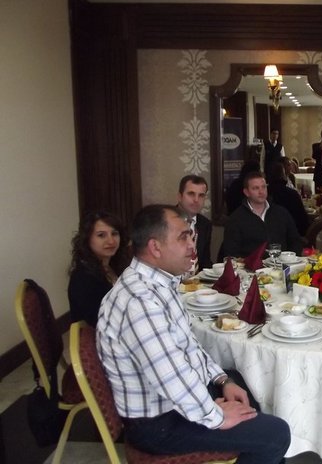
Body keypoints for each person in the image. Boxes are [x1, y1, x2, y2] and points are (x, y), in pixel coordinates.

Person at [96, 205, 290, 463]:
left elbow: (188, 347)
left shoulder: (158, 283)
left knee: (242, 385)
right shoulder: (138, 301)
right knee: (275, 434)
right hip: (159, 423)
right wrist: (216, 416)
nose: (192, 245)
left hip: (172, 402)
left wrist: (222, 381)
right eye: (183, 237)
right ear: (155, 247)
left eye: (191, 236)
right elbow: (170, 376)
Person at [68, 211, 130, 327]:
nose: (111, 241)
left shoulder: (114, 265)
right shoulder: (83, 278)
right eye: (101, 235)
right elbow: (100, 320)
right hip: (100, 333)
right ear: (87, 239)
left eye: (114, 234)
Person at [224, 171, 303, 257]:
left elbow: (295, 241)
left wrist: (291, 259)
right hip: (251, 265)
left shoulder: (281, 213)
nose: (261, 192)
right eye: (256, 188)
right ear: (246, 192)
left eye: (264, 187)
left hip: (282, 263)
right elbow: (232, 253)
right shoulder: (236, 219)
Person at [177, 174, 212, 272]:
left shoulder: (205, 224)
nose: (196, 200)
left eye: (201, 195)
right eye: (191, 194)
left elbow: (205, 262)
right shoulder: (166, 221)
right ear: (179, 197)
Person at [267, 162, 309, 236]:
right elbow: (303, 221)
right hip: (291, 235)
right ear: (283, 175)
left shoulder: (263, 194)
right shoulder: (292, 194)